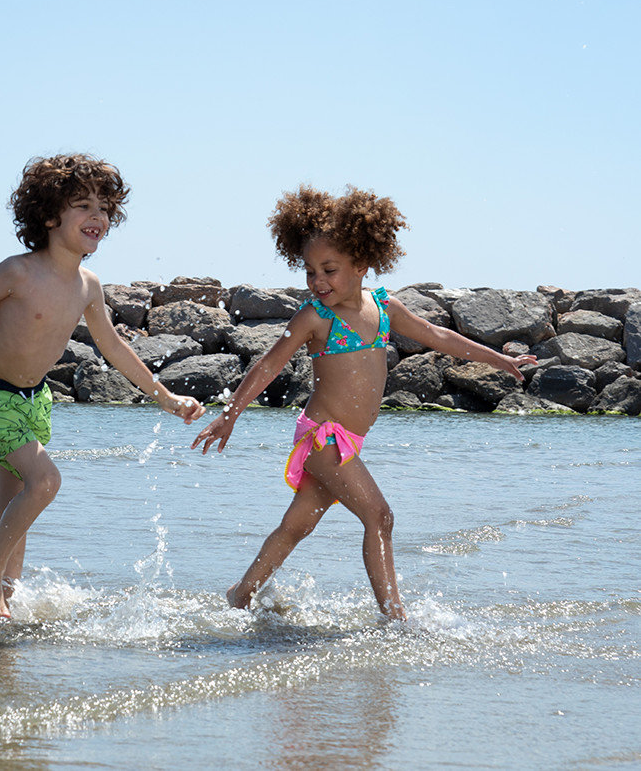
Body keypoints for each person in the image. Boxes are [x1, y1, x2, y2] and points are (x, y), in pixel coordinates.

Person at [0, 153, 206, 619]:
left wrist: (165, 397)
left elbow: (113, 348)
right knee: (45, 481)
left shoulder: (89, 285)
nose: (98, 217)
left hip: (34, 397)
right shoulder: (18, 271)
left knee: (15, 500)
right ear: (50, 215)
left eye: (105, 209)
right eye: (83, 206)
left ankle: (5, 595)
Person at [192, 185, 537, 621]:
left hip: (348, 439)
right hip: (322, 435)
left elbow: (439, 336)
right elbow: (268, 365)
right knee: (380, 516)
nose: (318, 281)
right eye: (310, 271)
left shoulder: (384, 306)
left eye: (329, 270)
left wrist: (500, 358)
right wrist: (230, 415)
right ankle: (396, 620)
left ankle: (240, 595)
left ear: (362, 263)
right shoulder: (315, 317)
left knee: (296, 527)